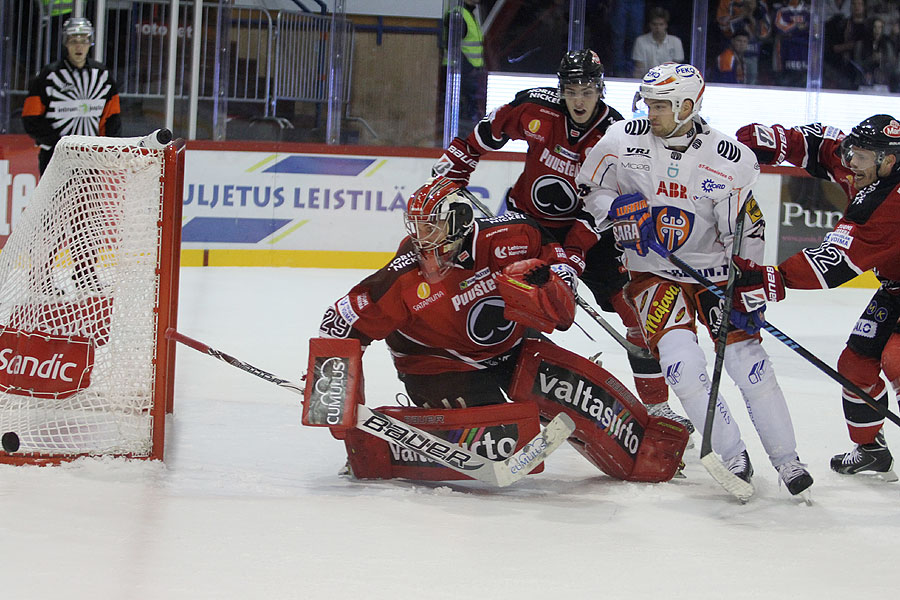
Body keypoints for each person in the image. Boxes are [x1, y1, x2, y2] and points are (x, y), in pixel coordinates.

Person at [315, 176, 689, 483]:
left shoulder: (511, 235)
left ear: (460, 218)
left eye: (432, 225)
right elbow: (339, 326)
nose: (421, 236)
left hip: (513, 346)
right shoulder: (402, 277)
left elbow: (551, 251)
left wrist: (555, 279)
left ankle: (642, 447)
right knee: (499, 434)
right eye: (418, 226)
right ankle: (379, 451)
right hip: (441, 367)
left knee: (575, 388)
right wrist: (332, 395)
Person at [575, 62, 814, 499]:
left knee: (750, 368)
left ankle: (787, 459)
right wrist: (618, 209)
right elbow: (590, 190)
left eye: (662, 105)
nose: (652, 112)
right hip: (651, 273)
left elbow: (746, 228)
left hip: (716, 276)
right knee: (682, 367)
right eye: (648, 102)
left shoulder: (730, 159)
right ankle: (732, 455)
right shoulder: (621, 140)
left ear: (688, 105)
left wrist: (744, 288)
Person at [431, 49, 686, 432]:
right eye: (571, 90)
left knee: (635, 313)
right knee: (508, 302)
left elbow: (602, 207)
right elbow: (488, 132)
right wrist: (458, 165)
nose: (579, 99)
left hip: (591, 233)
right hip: (527, 222)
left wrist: (572, 258)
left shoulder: (617, 135)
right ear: (560, 89)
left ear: (600, 90)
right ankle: (509, 391)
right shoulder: (535, 107)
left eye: (587, 90)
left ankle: (657, 409)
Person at [735, 115, 900, 480]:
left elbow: (836, 263)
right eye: (854, 152)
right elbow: (820, 146)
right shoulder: (870, 167)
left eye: (862, 156)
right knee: (855, 365)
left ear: (888, 162)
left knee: (896, 359)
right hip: (895, 287)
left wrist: (772, 277)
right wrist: (771, 140)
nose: (851, 162)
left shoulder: (888, 206)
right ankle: (871, 450)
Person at [22, 16, 122, 175]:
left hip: (91, 158)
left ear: (90, 43)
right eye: (73, 40)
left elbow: (112, 118)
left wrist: (107, 149)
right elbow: (30, 117)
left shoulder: (103, 76)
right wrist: (58, 144)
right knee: (54, 200)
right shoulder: (49, 76)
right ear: (66, 43)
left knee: (91, 200)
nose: (79, 46)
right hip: (55, 157)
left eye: (83, 40)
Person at [442, 0, 487, 138]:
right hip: (460, 74)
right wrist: (470, 69)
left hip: (469, 74)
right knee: (463, 115)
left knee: (469, 114)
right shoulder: (458, 15)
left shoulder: (468, 14)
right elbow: (452, 46)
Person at [631, 6, 685, 79]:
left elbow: (676, 71)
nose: (658, 28)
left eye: (661, 24)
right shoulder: (640, 41)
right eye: (654, 24)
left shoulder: (676, 42)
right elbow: (639, 69)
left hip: (669, 82)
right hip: (647, 81)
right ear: (650, 25)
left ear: (666, 25)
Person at [772, 0, 811, 87]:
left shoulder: (809, 10)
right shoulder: (780, 11)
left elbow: (814, 31)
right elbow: (781, 29)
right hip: (785, 53)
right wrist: (798, 26)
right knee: (784, 85)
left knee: (804, 85)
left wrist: (791, 31)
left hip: (804, 54)